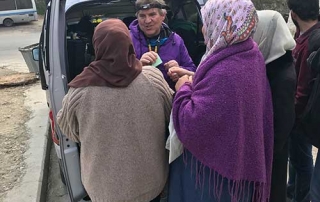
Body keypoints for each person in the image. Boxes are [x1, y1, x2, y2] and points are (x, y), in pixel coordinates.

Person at [167, 0, 274, 201]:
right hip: (237, 168)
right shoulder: (249, 53)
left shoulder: (225, 70)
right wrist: (194, 76)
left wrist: (183, 88)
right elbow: (218, 95)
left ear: (224, 22)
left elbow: (192, 122)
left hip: (214, 176)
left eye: (207, 20)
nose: (202, 28)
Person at [57, 19, 173, 202]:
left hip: (104, 189)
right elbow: (170, 118)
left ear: (96, 46)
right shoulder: (154, 79)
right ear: (128, 43)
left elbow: (70, 131)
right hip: (150, 183)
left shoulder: (79, 91)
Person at [253, 10, 297, 202]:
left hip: (272, 155)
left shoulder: (282, 74)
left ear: (268, 34)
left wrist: (263, 154)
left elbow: (283, 122)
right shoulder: (273, 62)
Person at [286, 0, 320, 201]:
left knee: (303, 162)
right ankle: (293, 192)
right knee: (297, 158)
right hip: (304, 115)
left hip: (303, 117)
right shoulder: (305, 35)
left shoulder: (311, 43)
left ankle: (300, 197)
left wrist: (291, 117)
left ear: (293, 14)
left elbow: (302, 90)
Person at [129, 0, 196, 90]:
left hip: (171, 99)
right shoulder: (127, 40)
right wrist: (139, 65)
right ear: (137, 17)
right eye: (142, 16)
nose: (147, 21)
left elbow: (192, 70)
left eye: (152, 15)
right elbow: (116, 74)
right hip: (139, 98)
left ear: (163, 16)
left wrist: (179, 70)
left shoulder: (175, 40)